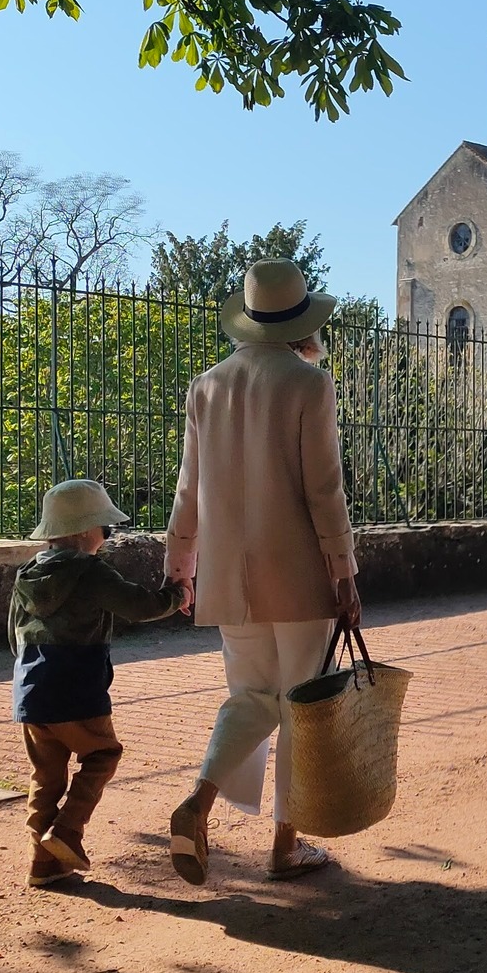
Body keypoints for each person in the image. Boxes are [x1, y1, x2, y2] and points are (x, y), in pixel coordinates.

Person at [164, 258, 361, 885]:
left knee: (250, 697)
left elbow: (187, 490)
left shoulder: (206, 385)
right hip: (298, 574)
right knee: (302, 703)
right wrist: (344, 570)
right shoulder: (308, 384)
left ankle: (198, 803)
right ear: (302, 322)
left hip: (226, 576)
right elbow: (323, 491)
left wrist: (181, 564)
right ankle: (284, 845)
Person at [10, 478, 190, 888]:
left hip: (31, 687)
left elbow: (13, 634)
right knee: (103, 754)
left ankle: (43, 863)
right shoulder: (89, 571)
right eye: (105, 529)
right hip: (77, 685)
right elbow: (137, 605)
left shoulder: (28, 572)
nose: (107, 538)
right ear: (86, 531)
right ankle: (68, 831)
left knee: (46, 778)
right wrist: (176, 595)